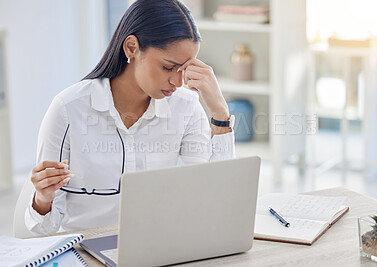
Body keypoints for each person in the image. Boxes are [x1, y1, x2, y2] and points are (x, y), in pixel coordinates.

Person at [25, 0, 235, 234]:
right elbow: (42, 230)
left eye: (184, 69)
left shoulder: (185, 107)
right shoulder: (68, 109)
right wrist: (43, 198)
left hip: (156, 245)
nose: (178, 82)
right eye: (168, 67)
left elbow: (215, 199)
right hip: (86, 250)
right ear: (132, 48)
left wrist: (220, 113)